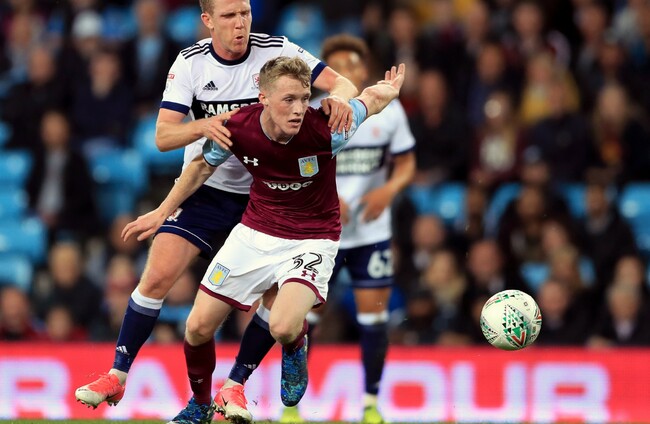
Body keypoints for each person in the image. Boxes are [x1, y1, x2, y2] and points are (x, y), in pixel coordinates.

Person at [74, 0, 357, 413]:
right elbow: (163, 137)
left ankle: (239, 381)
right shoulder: (190, 64)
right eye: (229, 16)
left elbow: (342, 83)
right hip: (207, 188)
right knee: (158, 274)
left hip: (267, 194)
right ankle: (119, 375)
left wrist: (341, 99)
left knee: (275, 301)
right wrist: (202, 126)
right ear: (207, 21)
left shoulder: (277, 50)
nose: (240, 23)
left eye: (245, 13)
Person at [123, 56, 406, 424]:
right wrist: (162, 211)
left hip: (312, 238)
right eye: (289, 99)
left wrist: (389, 89)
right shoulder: (238, 127)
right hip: (256, 232)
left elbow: (370, 100)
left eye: (304, 98)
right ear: (264, 99)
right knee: (197, 327)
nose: (299, 108)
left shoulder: (328, 128)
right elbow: (202, 165)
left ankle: (281, 353)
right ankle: (200, 405)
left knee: (284, 326)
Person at [282, 34, 416, 424]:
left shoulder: (389, 111)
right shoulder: (310, 112)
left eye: (352, 64)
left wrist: (388, 190)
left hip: (371, 234)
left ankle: (371, 405)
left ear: (364, 69)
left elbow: (406, 163)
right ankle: (290, 407)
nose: (345, 71)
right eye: (337, 66)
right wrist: (324, 194)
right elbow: (293, 168)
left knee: (373, 318)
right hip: (323, 233)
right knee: (303, 319)